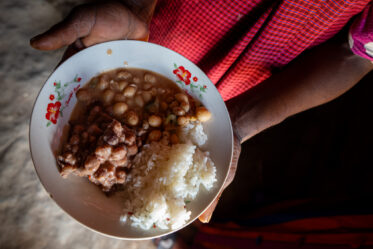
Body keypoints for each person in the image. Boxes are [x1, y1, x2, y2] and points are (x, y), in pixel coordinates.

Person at [30, 0, 373, 247]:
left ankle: (161, 225)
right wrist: (136, 6)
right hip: (153, 35)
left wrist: (235, 124)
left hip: (247, 80)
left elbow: (356, 53)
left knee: (173, 202)